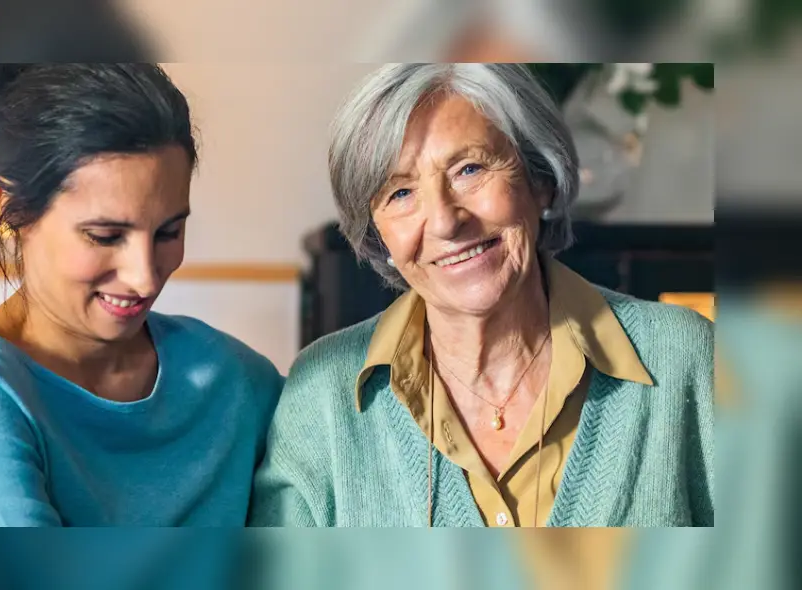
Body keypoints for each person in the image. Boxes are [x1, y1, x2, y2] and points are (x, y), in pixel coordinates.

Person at [250, 63, 713, 527]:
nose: (445, 221)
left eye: (469, 169)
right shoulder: (321, 396)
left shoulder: (685, 358)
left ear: (540, 180)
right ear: (378, 234)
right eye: (400, 193)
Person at [0, 64, 283, 526]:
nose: (144, 279)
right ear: (13, 207)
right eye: (104, 236)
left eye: (168, 232)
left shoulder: (237, 381)